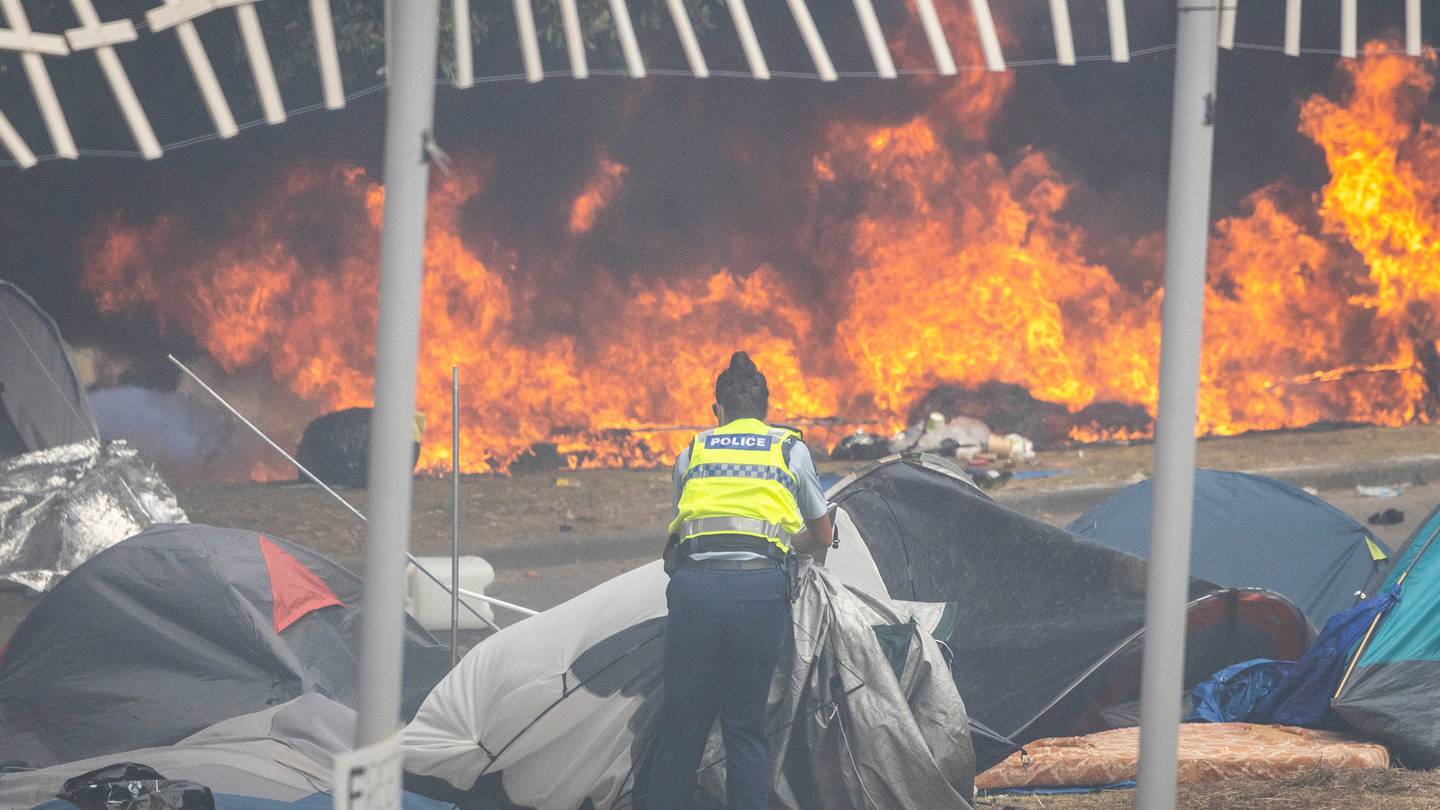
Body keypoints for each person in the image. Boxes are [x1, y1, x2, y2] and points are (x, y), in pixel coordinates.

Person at [643, 351, 833, 809]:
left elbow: (684, 530)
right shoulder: (789, 449)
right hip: (757, 594)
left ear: (718, 411)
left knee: (683, 725)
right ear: (766, 410)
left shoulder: (693, 451)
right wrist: (785, 541)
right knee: (745, 728)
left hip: (694, 592)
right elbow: (821, 535)